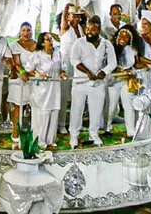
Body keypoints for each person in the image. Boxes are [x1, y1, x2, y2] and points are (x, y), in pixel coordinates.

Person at [68, 16, 116, 147]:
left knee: (96, 109)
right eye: (88, 29)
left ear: (99, 29)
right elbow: (74, 60)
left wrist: (104, 72)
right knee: (76, 109)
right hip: (80, 83)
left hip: (98, 84)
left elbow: (113, 62)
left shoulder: (107, 44)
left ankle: (93, 134)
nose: (89, 31)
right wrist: (88, 73)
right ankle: (74, 135)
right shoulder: (79, 42)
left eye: (93, 29)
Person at [26, 31, 65, 148]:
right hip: (42, 91)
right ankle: (40, 141)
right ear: (42, 43)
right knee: (43, 114)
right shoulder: (36, 55)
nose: (51, 41)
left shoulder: (58, 53)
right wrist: (39, 75)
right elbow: (28, 70)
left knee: (54, 112)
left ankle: (50, 140)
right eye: (48, 40)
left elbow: (61, 68)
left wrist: (63, 73)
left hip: (55, 89)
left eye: (51, 39)